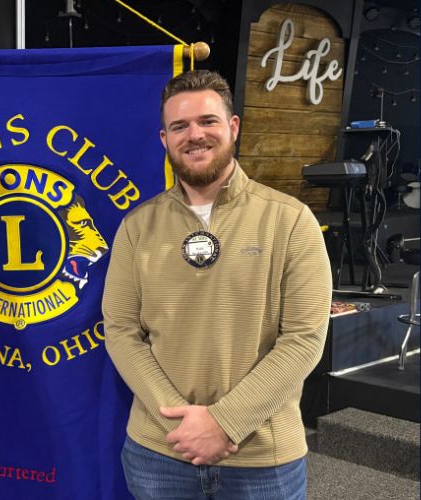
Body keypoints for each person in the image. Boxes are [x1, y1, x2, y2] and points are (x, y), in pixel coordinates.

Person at [102, 70, 331, 499]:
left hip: (263, 459)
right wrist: (183, 428)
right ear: (164, 140)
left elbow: (304, 339)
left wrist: (225, 423)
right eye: (179, 126)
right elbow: (121, 331)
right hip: (160, 454)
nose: (195, 135)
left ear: (233, 127)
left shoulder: (291, 220)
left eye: (207, 121)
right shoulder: (136, 227)